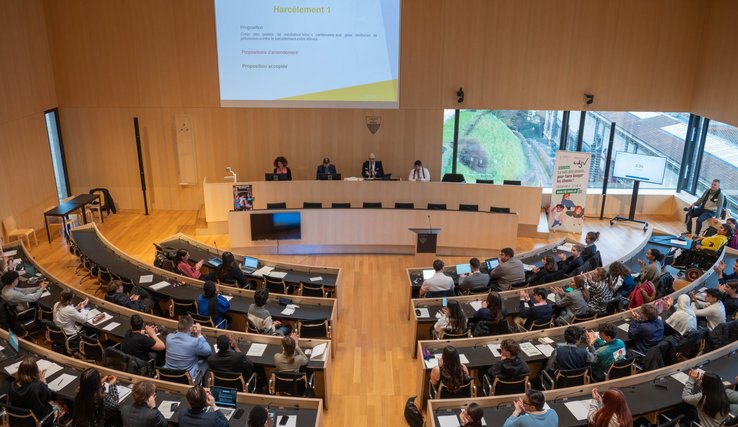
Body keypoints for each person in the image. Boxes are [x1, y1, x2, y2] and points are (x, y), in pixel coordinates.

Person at [9, 357, 60, 427]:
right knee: (61, 404)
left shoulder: (12, 385)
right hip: (38, 420)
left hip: (17, 419)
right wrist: (43, 383)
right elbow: (50, 397)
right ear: (35, 372)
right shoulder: (37, 386)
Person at [164, 315, 212, 384]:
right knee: (208, 359)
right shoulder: (194, 342)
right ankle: (203, 386)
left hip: (168, 375)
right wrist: (199, 334)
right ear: (190, 328)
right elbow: (208, 351)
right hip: (186, 379)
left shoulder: (169, 337)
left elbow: (176, 332)